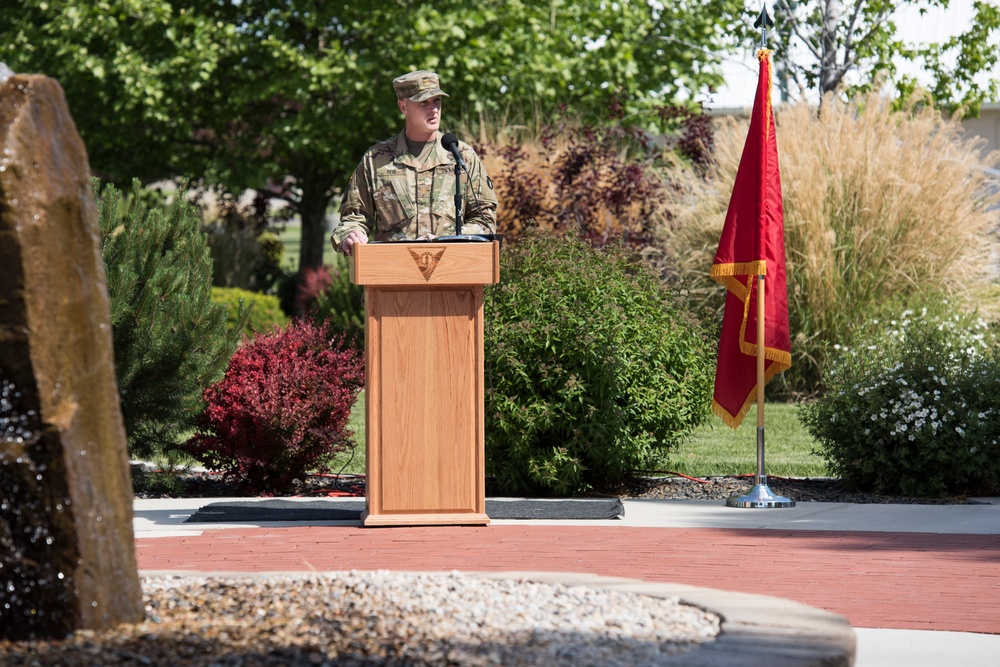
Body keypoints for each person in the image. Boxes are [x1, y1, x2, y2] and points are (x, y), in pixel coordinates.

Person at [332, 70, 498, 255]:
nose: (433, 109)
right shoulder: (376, 159)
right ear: (403, 107)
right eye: (423, 102)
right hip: (393, 272)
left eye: (437, 101)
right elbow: (355, 217)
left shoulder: (462, 156)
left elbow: (484, 219)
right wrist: (352, 234)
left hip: (451, 271)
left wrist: (450, 241)